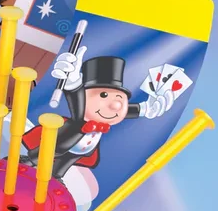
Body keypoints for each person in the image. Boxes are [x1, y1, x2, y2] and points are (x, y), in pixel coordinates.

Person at [23, 51, 173, 178]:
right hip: (66, 139)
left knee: (66, 162)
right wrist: (72, 81)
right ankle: (30, 161)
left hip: (83, 149)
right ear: (85, 95)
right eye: (103, 95)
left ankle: (56, 175)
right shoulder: (81, 108)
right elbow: (76, 96)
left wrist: (146, 108)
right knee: (48, 152)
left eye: (119, 98)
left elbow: (123, 110)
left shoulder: (116, 110)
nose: (115, 105)